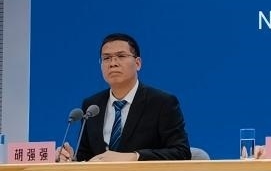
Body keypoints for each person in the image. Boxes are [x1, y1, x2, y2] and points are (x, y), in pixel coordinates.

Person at [56, 33, 191, 162]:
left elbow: (181, 152)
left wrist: (134, 157)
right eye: (106, 58)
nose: (113, 63)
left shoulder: (162, 103)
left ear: (138, 63)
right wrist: (71, 158)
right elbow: (88, 157)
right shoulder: (92, 106)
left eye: (121, 56)